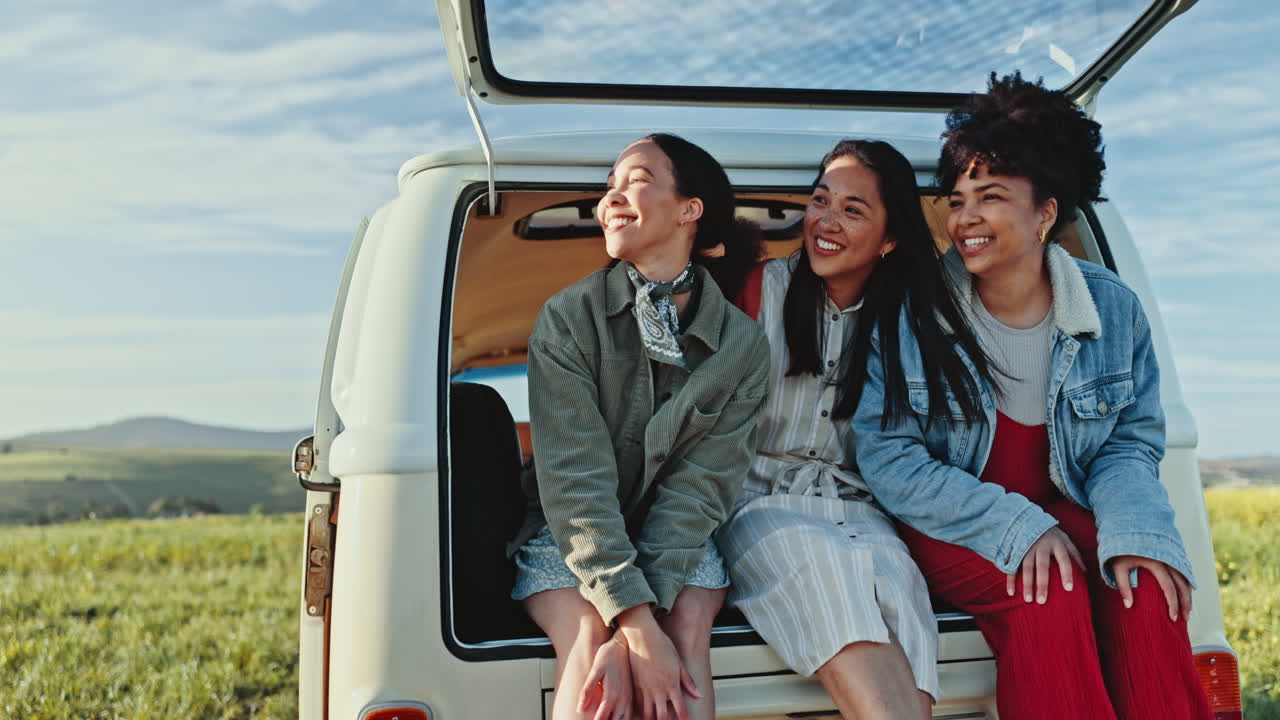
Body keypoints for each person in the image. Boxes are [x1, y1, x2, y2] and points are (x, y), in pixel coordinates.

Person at [853, 73, 1213, 719]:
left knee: (1143, 584)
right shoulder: (912, 310)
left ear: (1045, 212)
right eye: (958, 199)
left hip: (1060, 504)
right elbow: (890, 457)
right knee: (1047, 589)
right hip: (948, 518)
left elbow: (1128, 442)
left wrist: (1134, 532)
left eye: (989, 197)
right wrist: (1015, 526)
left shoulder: (1110, 307)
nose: (965, 219)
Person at [718, 139, 993, 720]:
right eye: (821, 201)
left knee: (901, 596)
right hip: (762, 504)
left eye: (852, 209)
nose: (826, 220)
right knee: (827, 571)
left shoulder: (913, 319)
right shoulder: (752, 292)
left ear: (889, 238)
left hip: (866, 512)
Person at [508, 133, 770, 720]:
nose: (612, 198)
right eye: (609, 188)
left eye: (637, 180)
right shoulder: (569, 318)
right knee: (590, 647)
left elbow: (702, 487)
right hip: (571, 534)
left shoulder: (743, 346)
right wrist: (631, 625)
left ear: (689, 210)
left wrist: (650, 625)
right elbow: (575, 485)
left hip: (676, 537)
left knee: (687, 641)